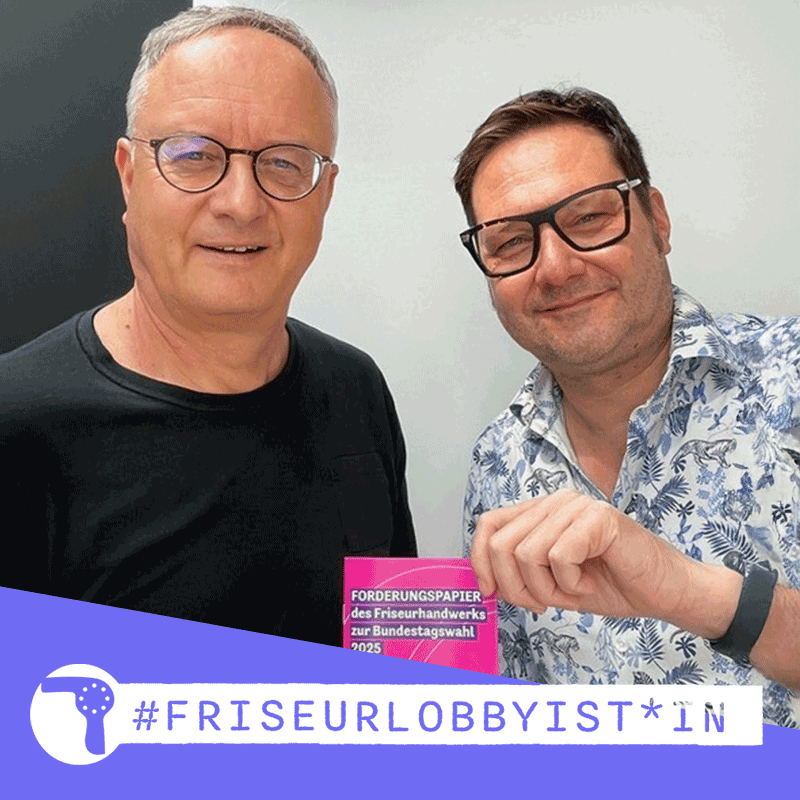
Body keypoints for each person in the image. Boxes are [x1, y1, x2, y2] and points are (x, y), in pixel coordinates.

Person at [0, 6, 416, 647]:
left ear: (325, 194)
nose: (242, 203)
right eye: (194, 155)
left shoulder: (356, 389)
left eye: (284, 163)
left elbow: (397, 655)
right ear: (129, 175)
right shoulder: (18, 425)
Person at [455, 87, 799, 726]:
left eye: (588, 217)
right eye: (508, 243)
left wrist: (694, 592)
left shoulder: (791, 379)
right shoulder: (496, 466)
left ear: (657, 220)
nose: (555, 267)